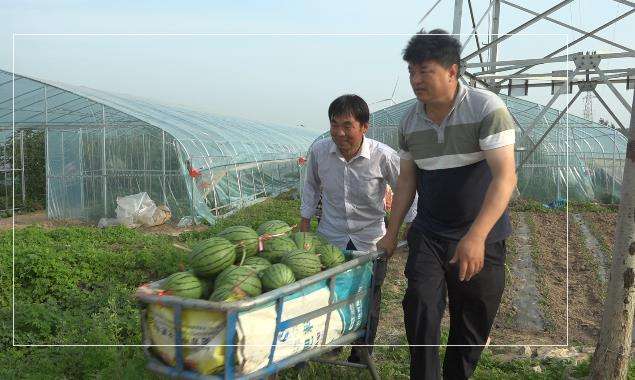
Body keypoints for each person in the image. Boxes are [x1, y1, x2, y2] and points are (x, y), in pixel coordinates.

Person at [378, 29, 517, 380]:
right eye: (411, 71)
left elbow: (505, 178)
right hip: (431, 231)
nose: (415, 79)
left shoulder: (486, 108)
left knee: (472, 321)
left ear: (452, 71)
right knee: (420, 305)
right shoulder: (410, 121)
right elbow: (407, 180)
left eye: (425, 71)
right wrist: (390, 233)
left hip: (480, 233)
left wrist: (476, 237)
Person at [300, 94, 416, 362]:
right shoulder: (319, 152)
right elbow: (310, 187)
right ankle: (332, 343)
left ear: (364, 126)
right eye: (334, 125)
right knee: (330, 293)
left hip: (370, 240)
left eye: (347, 125)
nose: (339, 133)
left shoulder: (383, 156)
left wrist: (406, 225)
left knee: (369, 295)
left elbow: (406, 189)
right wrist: (304, 223)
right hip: (331, 236)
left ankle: (362, 352)